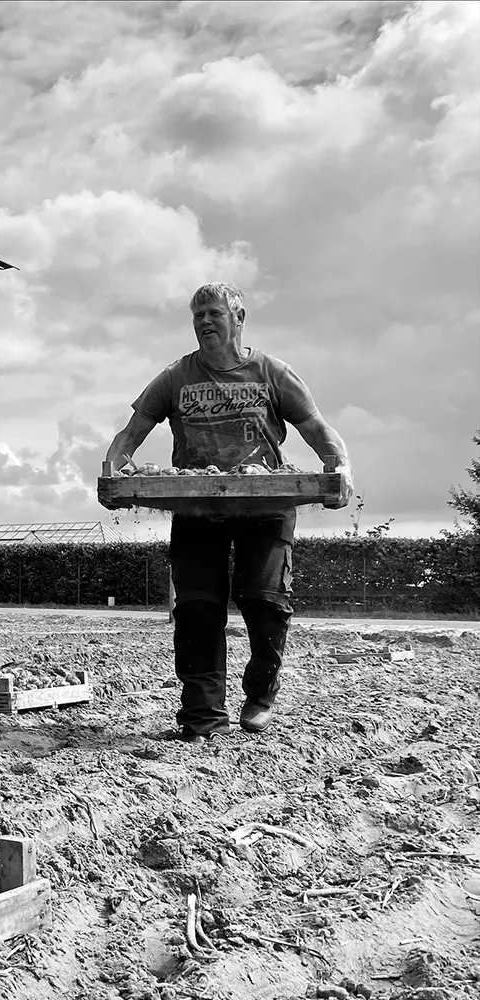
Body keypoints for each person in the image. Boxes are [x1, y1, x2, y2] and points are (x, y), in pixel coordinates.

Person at [103, 282, 352, 743]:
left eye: (214, 314)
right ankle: (203, 718)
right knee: (197, 609)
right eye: (198, 316)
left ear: (239, 318)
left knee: (264, 602)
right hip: (198, 508)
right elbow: (132, 430)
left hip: (265, 507)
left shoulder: (272, 373)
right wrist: (112, 470)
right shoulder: (177, 377)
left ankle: (260, 693)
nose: (204, 323)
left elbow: (315, 426)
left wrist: (339, 465)